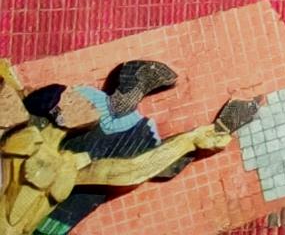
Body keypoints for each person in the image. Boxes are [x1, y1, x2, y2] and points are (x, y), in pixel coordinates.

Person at [0, 61, 252, 234]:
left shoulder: (69, 164)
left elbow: (126, 171)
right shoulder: (21, 141)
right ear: (58, 112)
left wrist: (189, 140)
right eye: (73, 98)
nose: (86, 100)